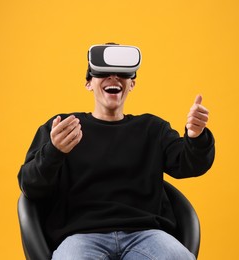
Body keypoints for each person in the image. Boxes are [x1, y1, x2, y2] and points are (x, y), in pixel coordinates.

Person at [18, 43, 215, 260]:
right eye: (103, 72)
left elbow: (189, 163)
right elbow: (30, 187)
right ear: (88, 83)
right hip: (81, 236)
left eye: (122, 73)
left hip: (146, 235)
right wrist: (54, 152)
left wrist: (196, 136)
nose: (113, 77)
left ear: (132, 84)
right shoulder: (63, 129)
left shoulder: (152, 129)